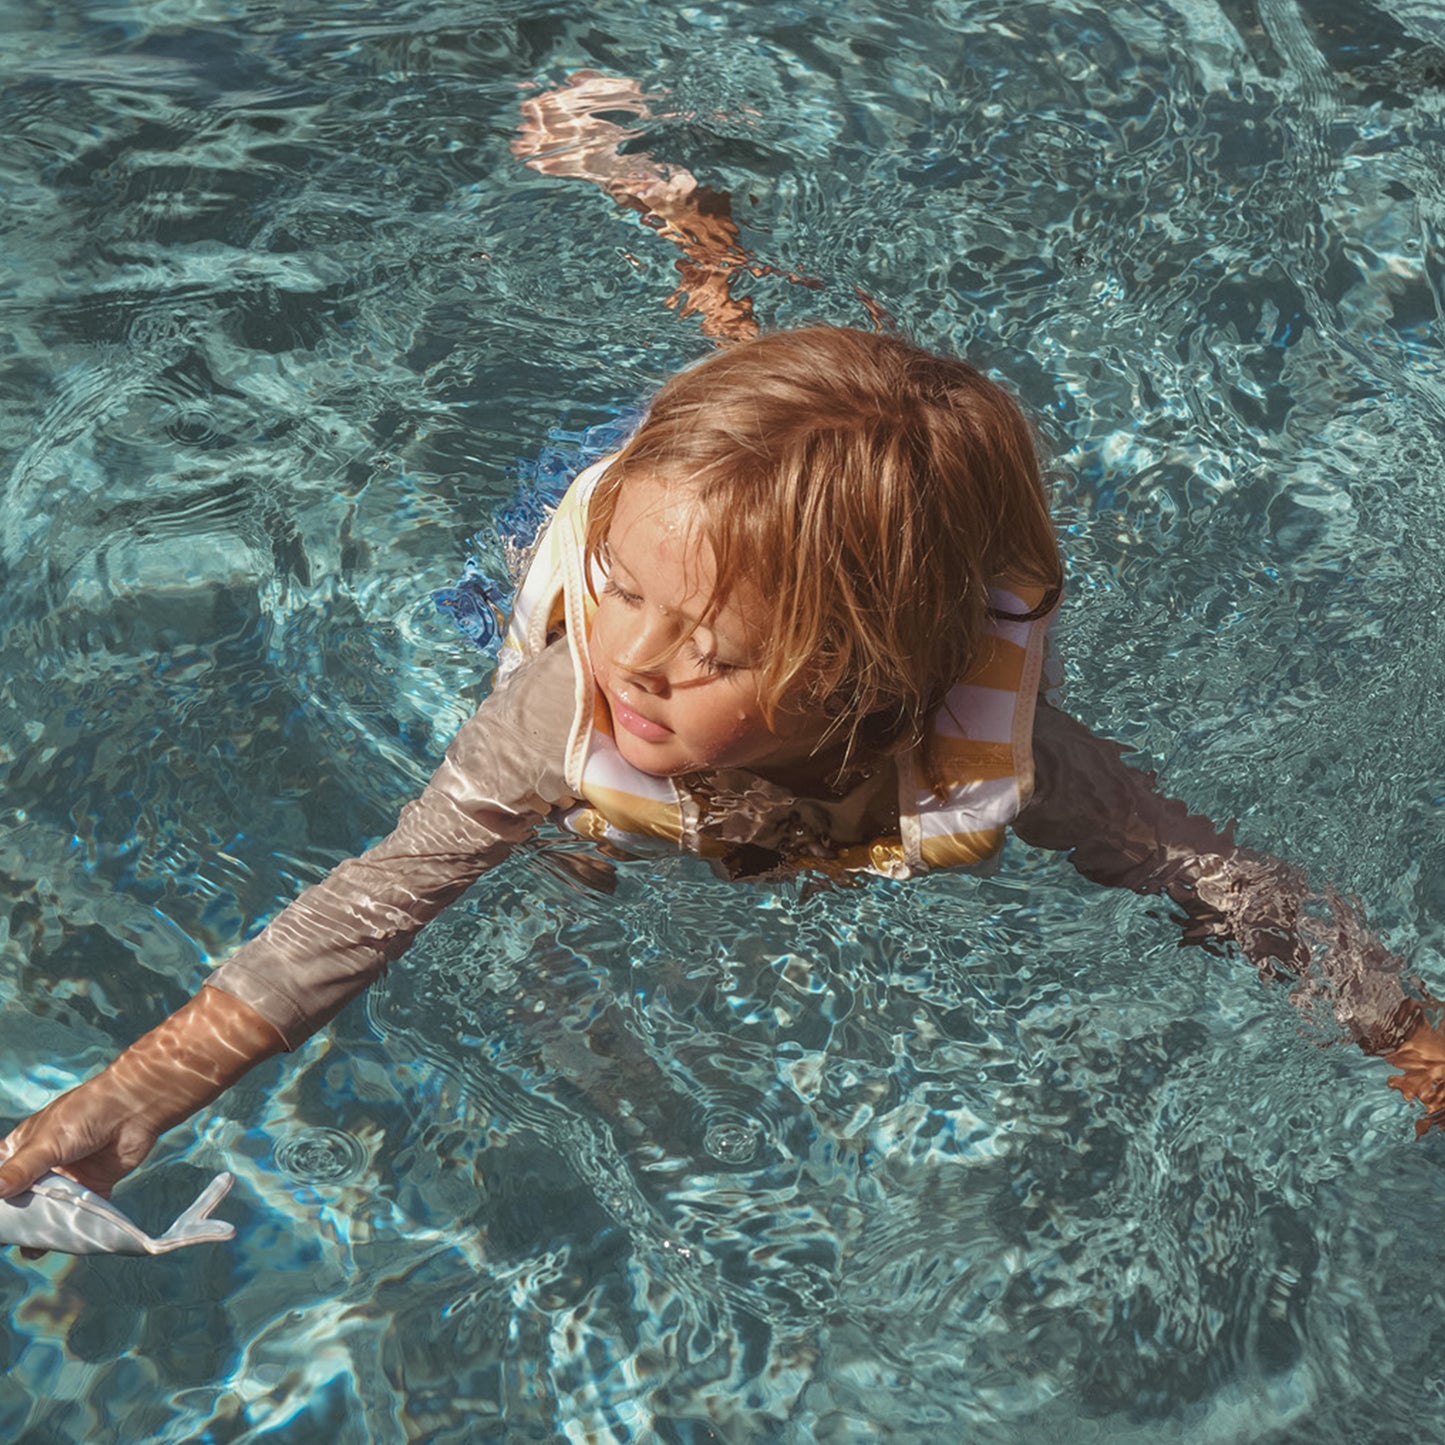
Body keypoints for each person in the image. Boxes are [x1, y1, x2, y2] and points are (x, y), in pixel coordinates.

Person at [3, 75, 1444, 1214]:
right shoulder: (568, 695)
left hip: (738, 550)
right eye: (626, 602)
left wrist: (1405, 1035)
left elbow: (1220, 882)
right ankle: (683, 223)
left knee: (797, 451)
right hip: (607, 507)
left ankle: (710, 279)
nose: (635, 661)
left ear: (871, 679)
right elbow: (368, 904)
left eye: (714, 655)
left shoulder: (995, 747)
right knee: (709, 422)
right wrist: (139, 1093)